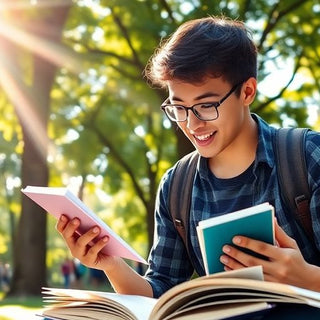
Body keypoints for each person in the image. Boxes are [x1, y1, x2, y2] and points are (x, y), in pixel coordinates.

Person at [56, 16, 320, 298]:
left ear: (247, 91)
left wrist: (306, 278)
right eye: (179, 107)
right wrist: (110, 263)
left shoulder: (305, 158)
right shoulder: (176, 186)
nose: (192, 125)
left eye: (206, 106)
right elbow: (160, 294)